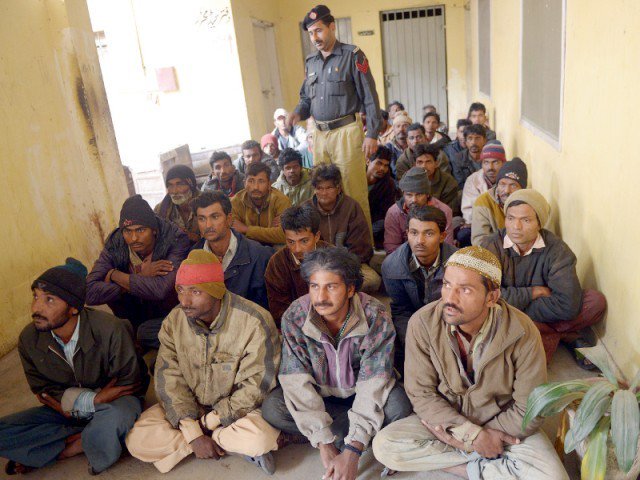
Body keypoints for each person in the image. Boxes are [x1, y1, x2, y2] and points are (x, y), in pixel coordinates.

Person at [373, 246, 568, 479]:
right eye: (446, 285)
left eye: (465, 290)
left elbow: (530, 408)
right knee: (385, 445)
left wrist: (488, 434)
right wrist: (473, 437)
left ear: (492, 297)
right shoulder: (423, 323)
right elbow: (421, 393)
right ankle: (483, 465)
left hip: (502, 424)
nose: (450, 298)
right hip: (449, 420)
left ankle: (459, 464)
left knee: (552, 476)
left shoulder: (522, 331)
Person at [262, 247, 413, 480]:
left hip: (359, 392)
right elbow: (295, 381)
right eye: (314, 286)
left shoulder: (375, 315)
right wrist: (324, 441)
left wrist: (353, 450)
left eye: (331, 286)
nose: (320, 297)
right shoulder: (295, 316)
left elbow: (375, 381)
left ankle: (354, 436)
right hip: (321, 394)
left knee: (399, 406)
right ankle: (360, 437)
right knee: (273, 408)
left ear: (350, 289)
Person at [125, 250, 281, 475]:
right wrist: (192, 429)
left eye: (195, 291)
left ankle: (206, 441)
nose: (184, 301)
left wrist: (209, 422)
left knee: (259, 438)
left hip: (237, 413)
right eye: (180, 290)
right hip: (191, 408)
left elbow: (256, 387)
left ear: (216, 291)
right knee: (137, 440)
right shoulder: (174, 321)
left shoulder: (254, 321)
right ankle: (223, 444)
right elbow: (168, 378)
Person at [0, 258, 148, 475]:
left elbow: (130, 383)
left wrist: (86, 404)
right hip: (67, 408)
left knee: (115, 418)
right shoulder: (29, 339)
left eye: (49, 300)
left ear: (73, 309)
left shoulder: (110, 329)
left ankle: (65, 449)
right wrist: (90, 401)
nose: (36, 308)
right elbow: (44, 391)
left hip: (114, 404)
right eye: (35, 297)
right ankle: (87, 436)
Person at [288, 5, 383, 232]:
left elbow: (370, 96)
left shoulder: (353, 55)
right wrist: (296, 113)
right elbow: (306, 99)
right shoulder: (311, 62)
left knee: (353, 192)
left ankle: (362, 249)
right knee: (323, 192)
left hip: (346, 132)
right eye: (311, 33)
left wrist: (372, 134)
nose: (315, 38)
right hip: (320, 135)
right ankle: (328, 244)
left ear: (332, 27)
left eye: (319, 31)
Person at [486, 190, 607, 365]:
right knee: (495, 319)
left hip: (519, 311)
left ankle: (545, 332)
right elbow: (487, 296)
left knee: (594, 302)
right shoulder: (491, 246)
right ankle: (566, 335)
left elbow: (568, 305)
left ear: (539, 223)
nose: (515, 227)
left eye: (526, 220)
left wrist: (521, 308)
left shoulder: (557, 251)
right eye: (510, 218)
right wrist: (532, 292)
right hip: (507, 315)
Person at [86, 194, 191, 350]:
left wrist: (114, 275)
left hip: (170, 314)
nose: (134, 238)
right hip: (134, 317)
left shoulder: (174, 239)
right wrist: (139, 275)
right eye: (127, 231)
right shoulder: (116, 243)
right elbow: (89, 293)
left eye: (141, 230)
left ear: (154, 229)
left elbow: (160, 289)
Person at [381, 206, 458, 371]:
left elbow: (461, 309)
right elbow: (401, 311)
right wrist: (413, 341)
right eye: (414, 233)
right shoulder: (392, 266)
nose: (420, 241)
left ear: (443, 236)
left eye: (429, 233)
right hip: (413, 324)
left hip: (448, 322)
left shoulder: (459, 263)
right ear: (407, 233)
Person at [302, 164, 381, 292]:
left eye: (328, 187)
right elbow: (303, 245)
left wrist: (341, 267)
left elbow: (361, 247)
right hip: (316, 266)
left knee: (372, 280)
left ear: (338, 188)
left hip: (348, 265)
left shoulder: (351, 207)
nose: (323, 192)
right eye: (319, 188)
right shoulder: (306, 209)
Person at [191, 191, 273, 310]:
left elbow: (265, 309)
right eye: (202, 219)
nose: (208, 225)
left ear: (229, 219)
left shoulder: (259, 256)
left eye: (215, 217)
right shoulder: (192, 257)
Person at [264, 204, 330, 327]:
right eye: (291, 242)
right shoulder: (276, 265)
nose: (297, 249)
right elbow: (280, 312)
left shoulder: (333, 257)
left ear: (316, 236)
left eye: (304, 241)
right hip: (297, 327)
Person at [384, 167, 454, 253]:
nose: (414, 200)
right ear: (403, 193)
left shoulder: (444, 211)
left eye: (419, 195)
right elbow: (391, 247)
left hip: (435, 256)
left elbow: (447, 245)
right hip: (404, 257)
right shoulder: (393, 212)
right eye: (409, 195)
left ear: (427, 194)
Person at [458, 141, 507, 247]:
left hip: (503, 226)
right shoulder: (472, 180)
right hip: (476, 224)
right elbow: (468, 210)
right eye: (486, 162)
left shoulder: (508, 181)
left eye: (495, 162)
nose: (490, 167)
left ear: (503, 163)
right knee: (464, 235)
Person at [230, 162, 292, 246]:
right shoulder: (235, 202)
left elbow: (284, 235)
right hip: (248, 246)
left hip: (273, 245)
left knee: (282, 247)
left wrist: (246, 229)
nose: (256, 187)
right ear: (244, 183)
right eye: (251, 181)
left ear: (269, 184)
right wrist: (270, 231)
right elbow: (233, 233)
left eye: (261, 181)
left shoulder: (281, 201)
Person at [472, 158, 527, 248]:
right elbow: (479, 242)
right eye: (502, 184)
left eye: (513, 185)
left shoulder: (530, 204)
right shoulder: (483, 202)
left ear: (522, 189)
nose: (506, 190)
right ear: (497, 185)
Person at [154, 165, 202, 243]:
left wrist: (197, 238)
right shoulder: (160, 209)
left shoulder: (208, 204)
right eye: (170, 185)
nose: (175, 191)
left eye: (180, 184)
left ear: (191, 185)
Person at [366, 145, 399, 249]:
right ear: (368, 161)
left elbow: (385, 214)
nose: (382, 168)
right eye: (378, 163)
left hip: (374, 225)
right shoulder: (356, 177)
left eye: (386, 165)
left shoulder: (389, 184)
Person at [413, 143, 459, 213]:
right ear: (414, 165)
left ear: (436, 163)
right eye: (420, 162)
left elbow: (448, 211)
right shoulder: (409, 180)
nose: (424, 166)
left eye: (428, 162)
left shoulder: (448, 182)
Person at [450, 124, 488, 190]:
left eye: (477, 138)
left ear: (484, 140)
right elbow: (460, 183)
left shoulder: (490, 157)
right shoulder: (458, 159)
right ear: (466, 141)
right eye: (470, 138)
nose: (473, 142)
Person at [385, 112, 411, 177]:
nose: (401, 129)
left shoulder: (415, 146)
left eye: (405, 126)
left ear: (410, 129)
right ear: (393, 129)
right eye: (398, 126)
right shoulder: (388, 147)